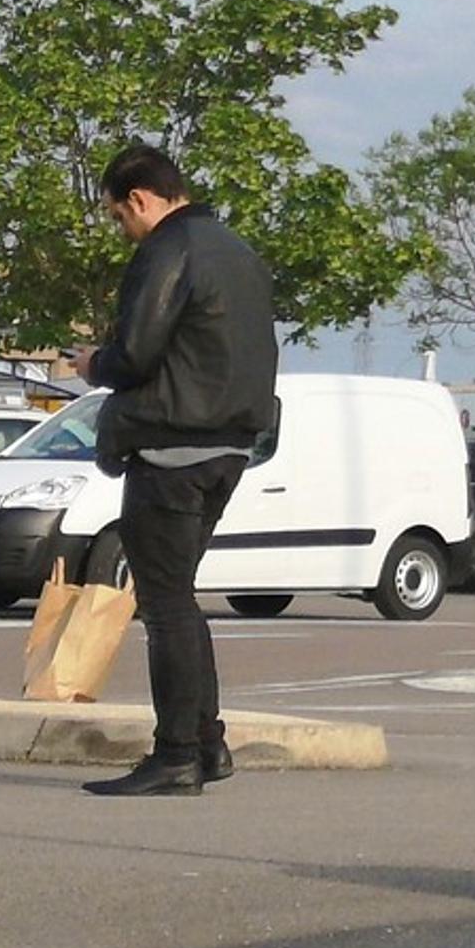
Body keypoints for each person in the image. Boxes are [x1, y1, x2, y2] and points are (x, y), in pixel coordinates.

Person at [80, 148, 280, 798]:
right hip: (228, 450)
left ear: (139, 199)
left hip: (170, 449)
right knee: (181, 600)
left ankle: (174, 757)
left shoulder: (169, 248)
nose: (122, 229)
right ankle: (207, 744)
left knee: (165, 606)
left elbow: (136, 351)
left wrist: (92, 363)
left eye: (118, 215)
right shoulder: (239, 252)